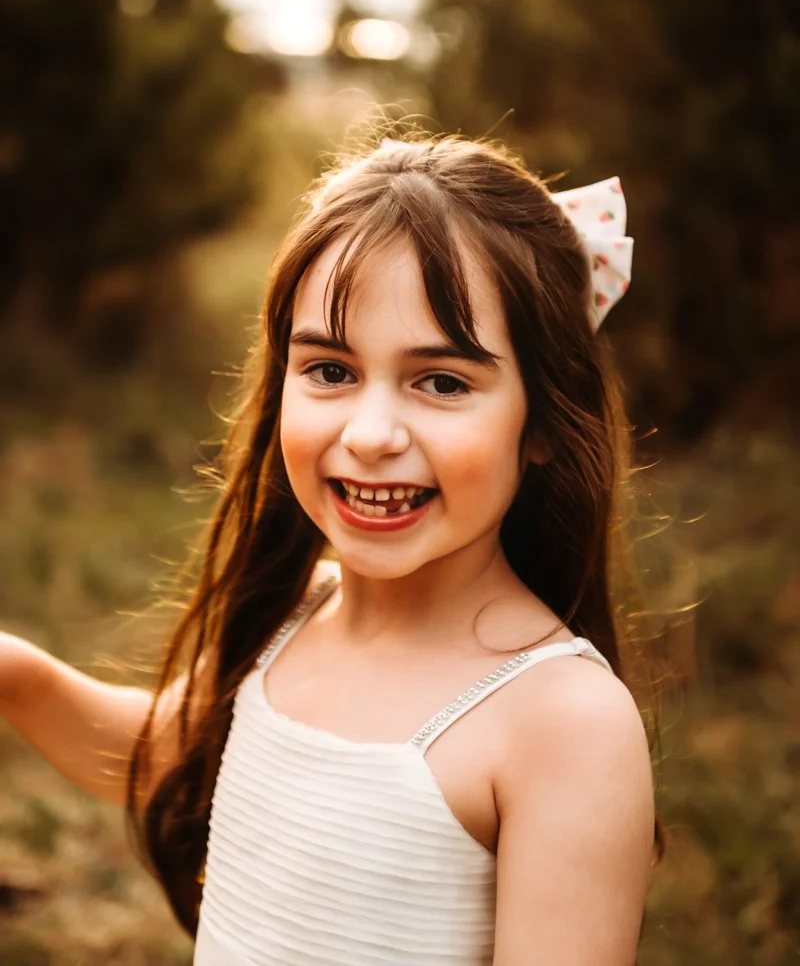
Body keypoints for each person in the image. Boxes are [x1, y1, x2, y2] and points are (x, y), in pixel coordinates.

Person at [0, 133, 659, 965]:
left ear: (542, 425)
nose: (371, 433)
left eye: (443, 382)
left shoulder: (564, 722)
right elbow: (162, 752)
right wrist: (13, 672)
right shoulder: (298, 610)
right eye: (331, 371)